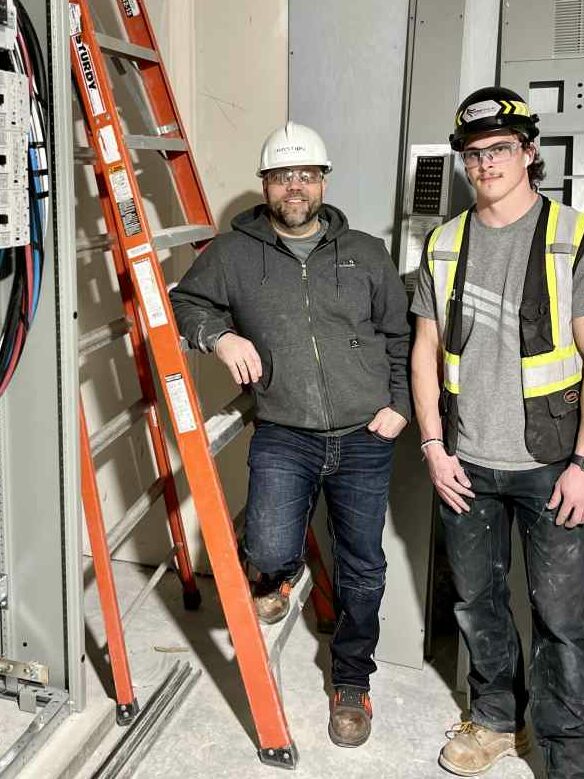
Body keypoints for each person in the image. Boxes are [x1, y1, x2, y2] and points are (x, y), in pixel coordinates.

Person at [170, 121, 410, 748]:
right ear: (267, 186)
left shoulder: (365, 252)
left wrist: (402, 406)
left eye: (306, 174)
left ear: (323, 181)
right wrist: (221, 337)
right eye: (283, 176)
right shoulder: (232, 253)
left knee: (363, 566)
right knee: (272, 546)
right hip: (284, 430)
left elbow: (401, 334)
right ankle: (276, 576)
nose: (295, 186)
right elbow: (186, 303)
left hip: (365, 435)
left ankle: (351, 682)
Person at [411, 86, 584, 778]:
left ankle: (567, 752)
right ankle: (493, 719)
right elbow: (423, 349)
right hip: (466, 462)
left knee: (562, 618)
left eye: (500, 149)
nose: (486, 164)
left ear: (530, 152)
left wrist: (582, 462)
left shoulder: (571, 234)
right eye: (474, 154)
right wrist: (431, 444)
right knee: (478, 601)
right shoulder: (445, 241)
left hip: (552, 462)